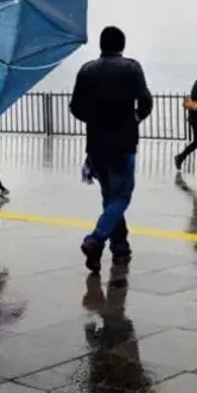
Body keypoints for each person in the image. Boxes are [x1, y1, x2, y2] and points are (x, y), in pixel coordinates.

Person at [70, 25, 153, 273]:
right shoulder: (132, 67)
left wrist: (95, 119)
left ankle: (120, 248)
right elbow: (146, 100)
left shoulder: (87, 70)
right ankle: (95, 240)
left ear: (101, 45)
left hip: (96, 143)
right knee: (121, 196)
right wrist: (136, 117)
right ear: (122, 45)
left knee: (110, 196)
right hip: (124, 142)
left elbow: (76, 107)